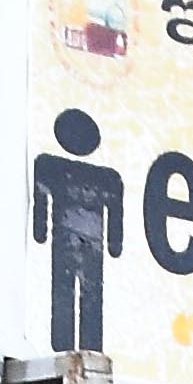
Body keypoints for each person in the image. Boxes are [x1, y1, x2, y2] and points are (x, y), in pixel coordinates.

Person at [31, 106, 125, 355]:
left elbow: (115, 211)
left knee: (85, 293)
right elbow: (40, 202)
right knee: (71, 292)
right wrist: (115, 244)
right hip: (71, 239)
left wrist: (115, 244)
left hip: (86, 242)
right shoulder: (53, 166)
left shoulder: (55, 167)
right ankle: (66, 347)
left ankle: (84, 347)